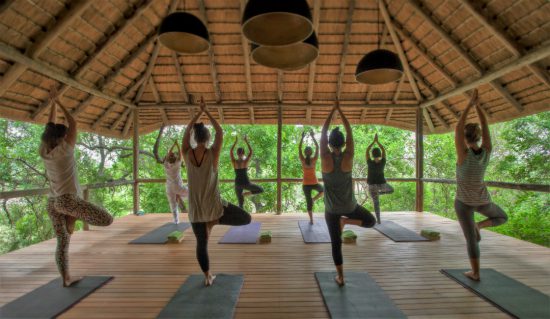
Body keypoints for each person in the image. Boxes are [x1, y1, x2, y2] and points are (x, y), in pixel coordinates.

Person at [39, 88, 113, 287]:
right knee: (107, 219)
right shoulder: (65, 149)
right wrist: (60, 102)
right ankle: (73, 217)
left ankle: (66, 278)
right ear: (63, 137)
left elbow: (50, 126)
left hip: (53, 202)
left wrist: (53, 103)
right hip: (67, 201)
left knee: (62, 242)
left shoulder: (44, 151)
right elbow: (73, 123)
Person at [182, 97, 251, 286]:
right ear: (208, 138)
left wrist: (198, 113)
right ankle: (213, 222)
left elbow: (187, 131)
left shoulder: (186, 154)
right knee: (246, 218)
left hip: (195, 211)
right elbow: (220, 131)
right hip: (214, 208)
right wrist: (207, 111)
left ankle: (207, 276)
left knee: (201, 245)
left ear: (195, 137)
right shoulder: (213, 154)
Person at [454, 89, 508, 281]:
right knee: (502, 217)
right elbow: (485, 126)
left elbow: (458, 128)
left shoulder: (463, 155)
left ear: (465, 139)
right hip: (482, 201)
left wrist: (469, 104)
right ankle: (480, 225)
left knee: (471, 239)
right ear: (478, 137)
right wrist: (478, 107)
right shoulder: (486, 152)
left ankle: (475, 272)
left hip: (463, 202)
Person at [320, 103, 376, 286]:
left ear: (329, 144)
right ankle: (347, 221)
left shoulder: (325, 158)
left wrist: (331, 112)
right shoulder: (348, 157)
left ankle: (341, 277)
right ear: (343, 144)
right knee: (371, 221)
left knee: (336, 243)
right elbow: (350, 133)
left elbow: (323, 133)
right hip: (350, 207)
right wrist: (340, 112)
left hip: (331, 210)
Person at [154, 133, 188, 224]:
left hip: (169, 187)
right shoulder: (177, 165)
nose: (173, 155)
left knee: (173, 205)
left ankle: (176, 221)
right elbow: (180, 154)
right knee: (192, 191)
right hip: (177, 187)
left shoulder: (166, 165)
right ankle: (181, 196)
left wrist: (173, 145)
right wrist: (177, 144)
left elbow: (169, 154)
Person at [366, 133, 394, 224]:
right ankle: (380, 193)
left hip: (372, 186)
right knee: (391, 190)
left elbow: (367, 150)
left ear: (372, 155)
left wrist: (373, 142)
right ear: (380, 154)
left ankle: (378, 221)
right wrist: (378, 142)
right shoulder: (383, 162)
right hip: (382, 185)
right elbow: (383, 150)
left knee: (376, 203)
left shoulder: (370, 162)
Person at [230, 135, 264, 209]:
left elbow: (231, 151)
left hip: (237, 184)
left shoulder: (234, 162)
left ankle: (240, 219)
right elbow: (251, 152)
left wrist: (235, 142)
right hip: (246, 183)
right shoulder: (245, 162)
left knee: (240, 204)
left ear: (237, 153)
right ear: (243, 153)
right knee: (261, 189)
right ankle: (247, 193)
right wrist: (246, 141)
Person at [299, 130, 324, 224]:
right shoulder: (314, 159)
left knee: (310, 202)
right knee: (323, 191)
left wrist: (302, 138)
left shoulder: (303, 160)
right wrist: (313, 137)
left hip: (307, 184)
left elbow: (299, 148)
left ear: (305, 153)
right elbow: (318, 147)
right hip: (313, 183)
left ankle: (311, 220)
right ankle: (311, 219)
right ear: (311, 152)